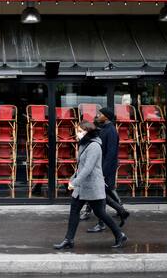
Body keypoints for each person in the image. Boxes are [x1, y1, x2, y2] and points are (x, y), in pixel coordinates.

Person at [54, 121, 127, 250]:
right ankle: (68, 240)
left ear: (87, 132)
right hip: (82, 187)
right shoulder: (84, 144)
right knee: (74, 212)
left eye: (80, 131)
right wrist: (73, 179)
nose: (77, 134)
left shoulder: (94, 146)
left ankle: (119, 235)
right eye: (77, 131)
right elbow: (80, 167)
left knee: (101, 213)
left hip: (92, 186)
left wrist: (74, 182)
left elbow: (88, 168)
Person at [85, 107, 130, 232]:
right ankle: (121, 211)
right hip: (101, 167)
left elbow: (111, 154)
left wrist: (103, 172)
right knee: (103, 194)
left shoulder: (111, 131)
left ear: (106, 116)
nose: (98, 115)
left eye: (100, 114)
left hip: (106, 168)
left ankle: (102, 223)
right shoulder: (103, 128)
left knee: (101, 195)